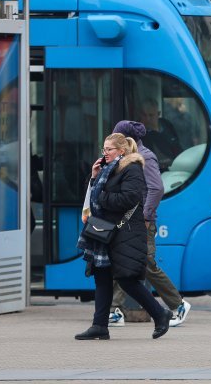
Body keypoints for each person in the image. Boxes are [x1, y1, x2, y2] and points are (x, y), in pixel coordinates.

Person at [75, 133, 172, 341]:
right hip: (106, 231)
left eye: (109, 149)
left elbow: (129, 198)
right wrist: (94, 177)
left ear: (122, 151)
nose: (105, 153)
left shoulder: (132, 168)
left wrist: (102, 196)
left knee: (127, 280)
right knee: (102, 277)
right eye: (104, 149)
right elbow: (93, 196)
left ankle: (160, 314)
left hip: (124, 232)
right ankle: (99, 325)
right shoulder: (106, 170)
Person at [107, 121, 190, 329]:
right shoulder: (123, 158)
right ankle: (115, 310)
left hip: (141, 222)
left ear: (128, 140)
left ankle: (178, 304)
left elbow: (156, 188)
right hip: (126, 220)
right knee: (120, 261)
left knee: (145, 263)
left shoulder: (146, 157)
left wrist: (145, 217)